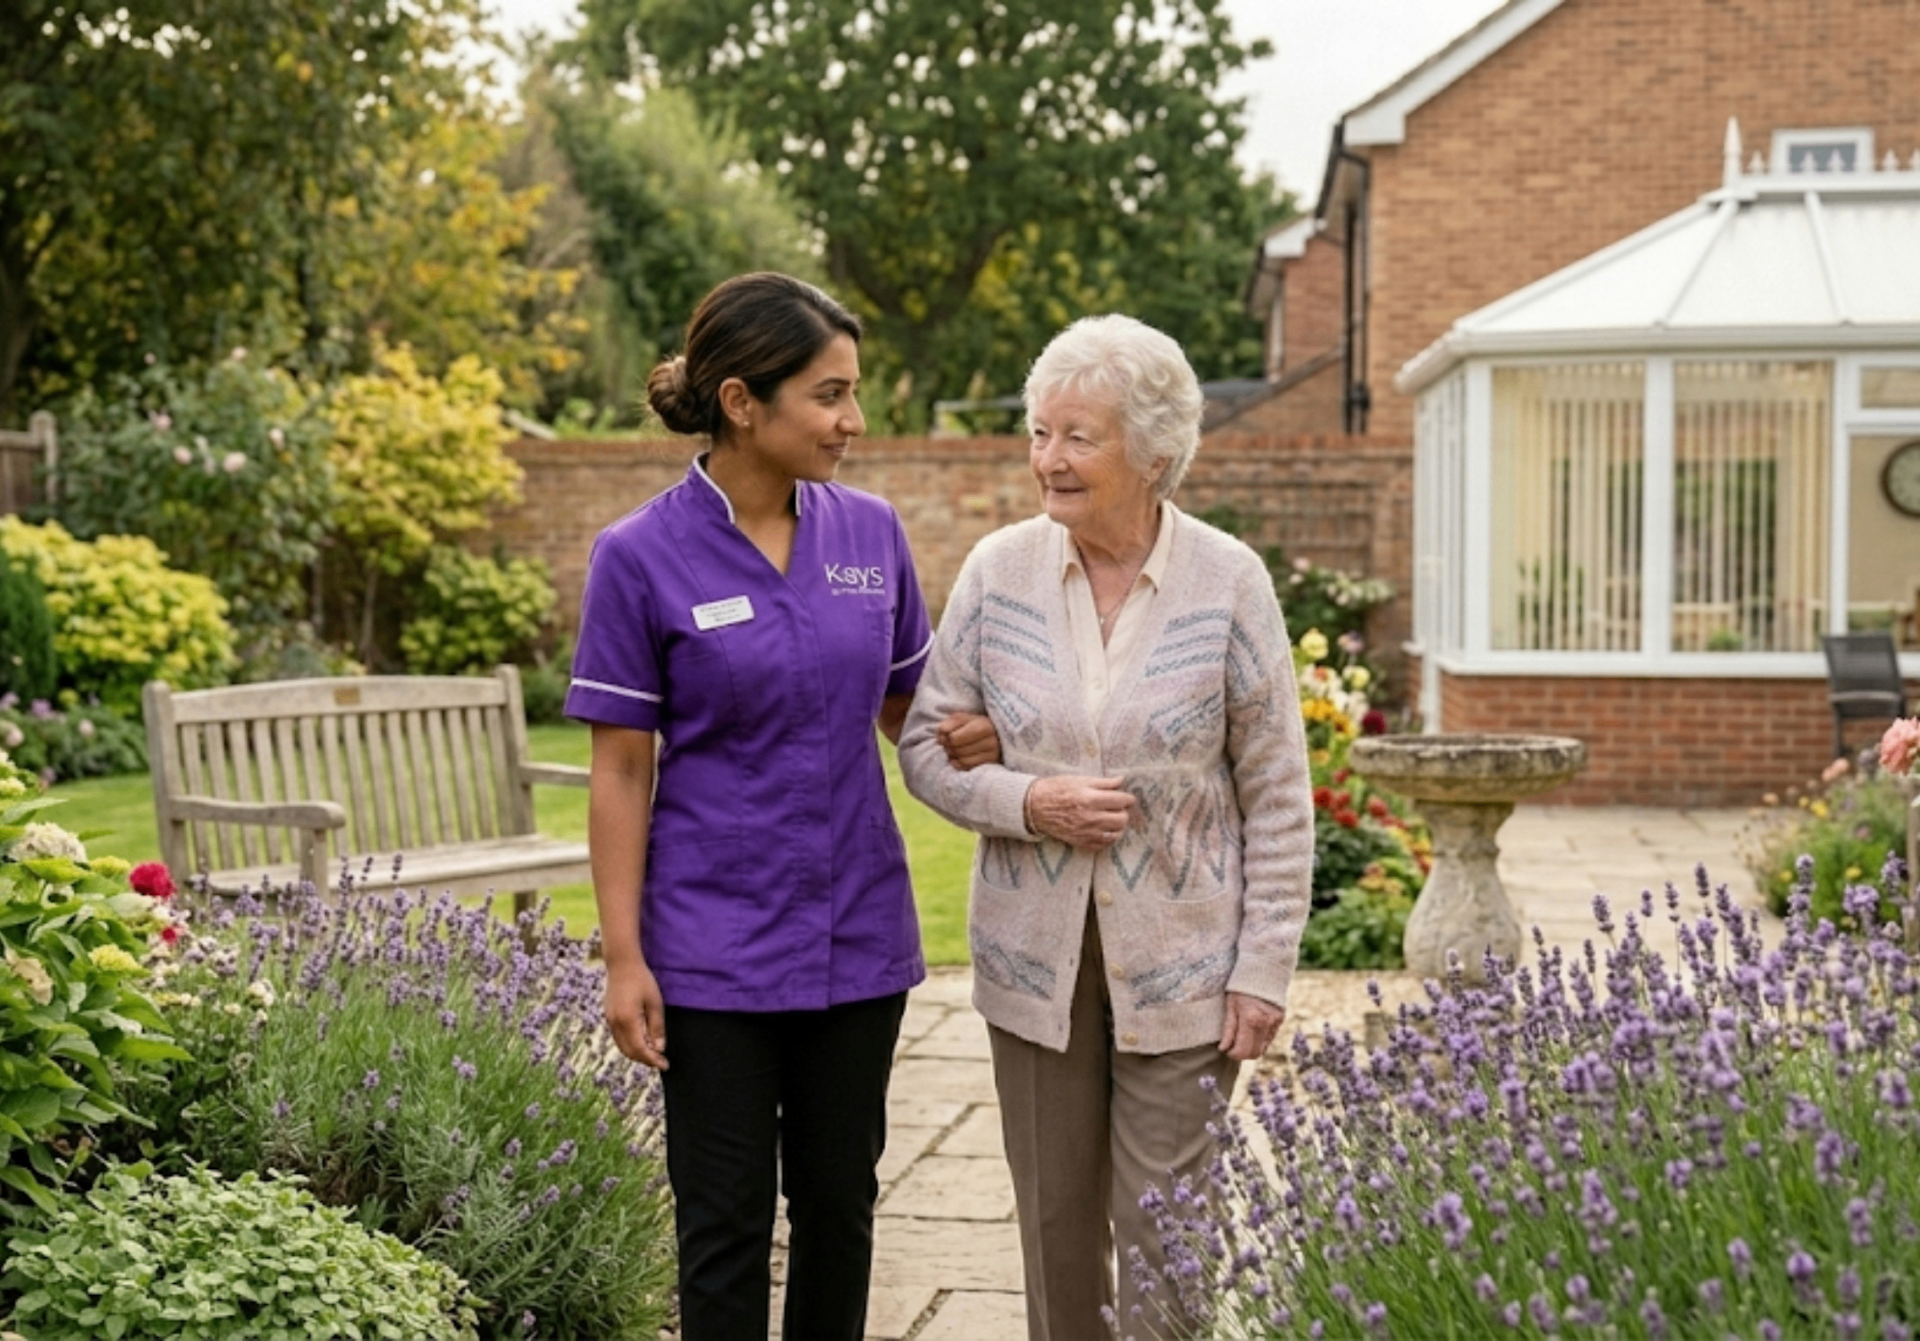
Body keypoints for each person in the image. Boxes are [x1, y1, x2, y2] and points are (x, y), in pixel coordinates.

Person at [565, 272, 992, 1341]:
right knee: (723, 1222)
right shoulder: (638, 557)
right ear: (744, 403)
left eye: (853, 394)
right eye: (829, 394)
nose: (853, 421)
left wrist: (974, 740)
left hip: (861, 930)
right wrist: (625, 958)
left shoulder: (871, 533)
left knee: (841, 1207)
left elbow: (907, 708)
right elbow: (621, 771)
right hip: (712, 947)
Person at [898, 314, 1315, 1341]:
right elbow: (920, 746)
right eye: (1041, 432)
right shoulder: (1000, 572)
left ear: (1156, 452)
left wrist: (1262, 968)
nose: (1048, 458)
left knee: (1171, 1240)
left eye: (1078, 436)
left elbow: (1278, 791)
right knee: (1054, 1230)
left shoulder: (1229, 582)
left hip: (1184, 968)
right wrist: (1025, 801)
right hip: (1031, 967)